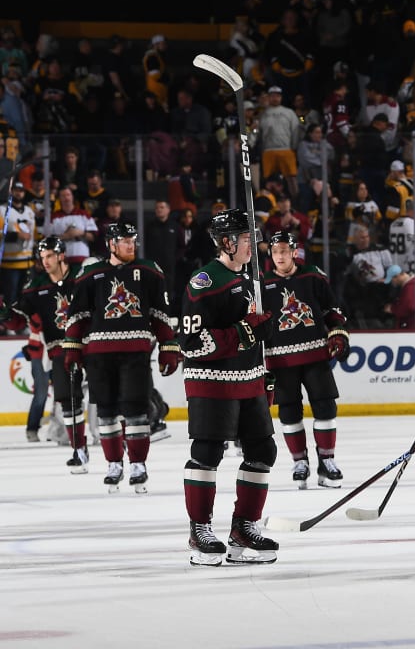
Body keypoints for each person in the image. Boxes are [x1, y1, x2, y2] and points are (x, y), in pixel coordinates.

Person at [180, 209, 278, 566]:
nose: (253, 244)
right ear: (226, 242)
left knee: (263, 451)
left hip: (249, 378)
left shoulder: (254, 279)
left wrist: (263, 361)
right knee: (207, 452)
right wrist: (247, 331)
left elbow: (256, 331)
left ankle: (244, 528)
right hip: (211, 382)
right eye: (246, 238)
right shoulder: (204, 280)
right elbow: (192, 343)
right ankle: (199, 530)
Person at [62, 223, 179, 494]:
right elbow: (78, 316)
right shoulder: (90, 274)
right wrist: (72, 348)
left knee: (136, 409)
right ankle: (114, 464)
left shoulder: (150, 271)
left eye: (133, 240)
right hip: (99, 356)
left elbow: (161, 313)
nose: (131, 245)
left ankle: (138, 465)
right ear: (111, 244)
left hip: (136, 353)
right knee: (106, 412)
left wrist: (168, 347)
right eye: (125, 241)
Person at [261, 231, 350, 490]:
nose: (280, 256)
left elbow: (333, 309)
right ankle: (300, 462)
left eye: (284, 251)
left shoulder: (313, 275)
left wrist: (338, 332)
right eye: (275, 251)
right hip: (279, 359)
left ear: (293, 252)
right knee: (289, 411)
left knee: (325, 408)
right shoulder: (260, 283)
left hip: (314, 355)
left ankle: (327, 461)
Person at [14, 237, 85, 471]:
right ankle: (78, 448)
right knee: (66, 397)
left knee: (107, 395)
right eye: (42, 257)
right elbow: (18, 320)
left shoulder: (81, 276)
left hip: (89, 345)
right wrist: (5, 312)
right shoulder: (36, 286)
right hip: (59, 350)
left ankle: (119, 440)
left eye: (50, 256)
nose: (45, 261)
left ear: (61, 255)